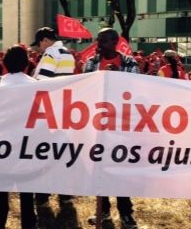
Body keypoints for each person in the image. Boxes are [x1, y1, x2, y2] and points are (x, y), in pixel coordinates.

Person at [82, 28, 139, 229]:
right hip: (98, 127)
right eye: (98, 40)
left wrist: (118, 81)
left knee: (119, 170)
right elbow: (85, 90)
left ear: (115, 42)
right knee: (100, 169)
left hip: (121, 127)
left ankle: (126, 213)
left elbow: (135, 89)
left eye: (103, 41)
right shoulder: (91, 63)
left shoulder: (129, 63)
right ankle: (103, 210)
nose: (98, 45)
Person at [0, 45, 38, 229]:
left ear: (5, 63)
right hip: (27, 145)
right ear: (27, 63)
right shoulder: (36, 85)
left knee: (1, 192)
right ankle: (29, 224)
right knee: (27, 192)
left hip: (1, 145)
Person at [30, 27, 75, 206]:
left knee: (44, 152)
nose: (39, 49)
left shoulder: (50, 54)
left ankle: (42, 195)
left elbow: (42, 82)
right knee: (61, 152)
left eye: (39, 45)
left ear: (45, 40)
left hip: (48, 110)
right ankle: (65, 193)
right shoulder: (68, 54)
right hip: (63, 108)